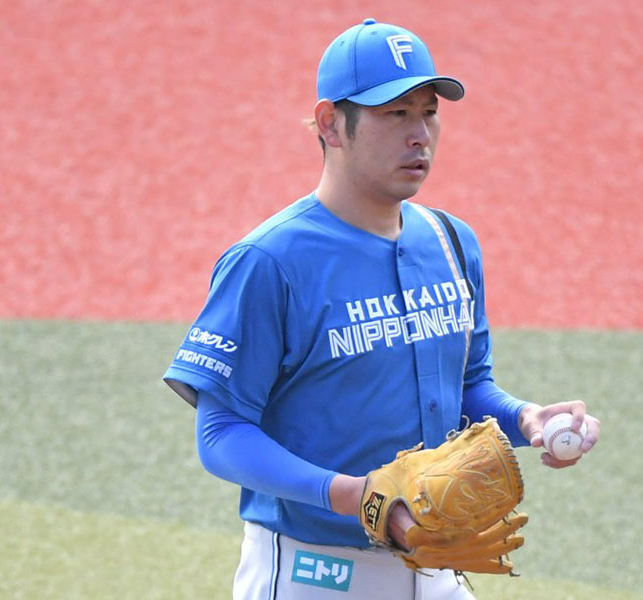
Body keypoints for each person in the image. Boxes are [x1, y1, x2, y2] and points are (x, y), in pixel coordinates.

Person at [163, 18, 600, 600]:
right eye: (395, 114)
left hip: (436, 570)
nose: (419, 134)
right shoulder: (269, 262)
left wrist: (527, 419)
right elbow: (219, 432)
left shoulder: (450, 241)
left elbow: (467, 387)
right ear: (330, 124)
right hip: (314, 577)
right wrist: (357, 496)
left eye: (429, 113)